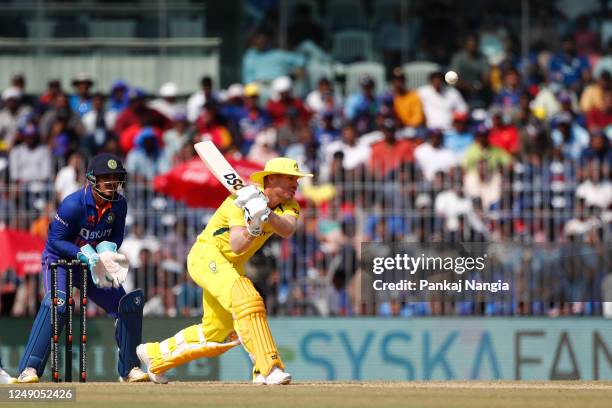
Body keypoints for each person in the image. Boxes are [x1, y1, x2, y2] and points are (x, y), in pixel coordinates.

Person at [136, 157, 313, 385]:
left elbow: (287, 229)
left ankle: (155, 355)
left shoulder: (290, 206)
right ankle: (267, 368)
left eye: (296, 179)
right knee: (247, 298)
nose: (295, 184)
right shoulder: (238, 201)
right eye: (290, 178)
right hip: (207, 256)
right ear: (271, 178)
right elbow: (238, 244)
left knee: (217, 333)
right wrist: (253, 225)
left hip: (230, 265)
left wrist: (266, 215)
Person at [17, 153, 149, 383]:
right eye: (105, 177)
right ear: (92, 180)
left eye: (115, 177)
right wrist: (83, 253)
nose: (112, 183)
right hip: (60, 261)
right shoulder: (73, 204)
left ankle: (129, 369)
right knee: (57, 304)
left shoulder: (119, 205)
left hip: (93, 265)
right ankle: (29, 369)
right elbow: (54, 240)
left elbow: (117, 235)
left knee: (126, 306)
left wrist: (107, 251)